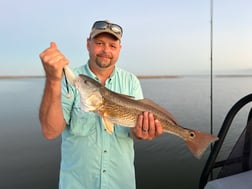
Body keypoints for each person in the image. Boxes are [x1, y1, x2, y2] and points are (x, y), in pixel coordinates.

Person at [39, 20, 163, 189]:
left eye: (112, 45)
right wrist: (53, 80)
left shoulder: (131, 80)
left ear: (119, 49)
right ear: (88, 44)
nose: (106, 50)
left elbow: (134, 133)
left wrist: (141, 132)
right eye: (99, 43)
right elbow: (50, 131)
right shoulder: (72, 79)